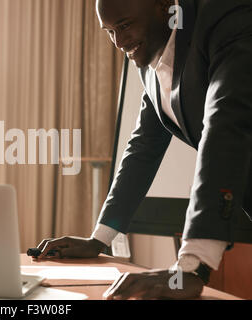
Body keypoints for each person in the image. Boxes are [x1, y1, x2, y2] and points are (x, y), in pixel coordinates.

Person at [35, 0, 252, 299]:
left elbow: (224, 126)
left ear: (164, 5)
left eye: (124, 26)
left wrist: (191, 267)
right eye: (109, 32)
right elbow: (144, 147)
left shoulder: (226, 18)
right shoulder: (150, 58)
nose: (119, 42)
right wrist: (100, 239)